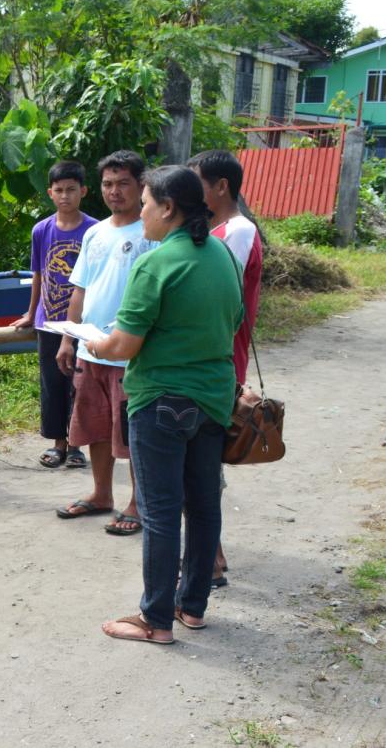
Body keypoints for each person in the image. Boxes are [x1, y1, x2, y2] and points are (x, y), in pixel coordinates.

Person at [86, 165, 242, 645]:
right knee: (201, 506)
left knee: (158, 512)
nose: (143, 212)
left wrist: (95, 344)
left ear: (168, 208)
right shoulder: (219, 254)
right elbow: (234, 322)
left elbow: (125, 345)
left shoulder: (155, 263)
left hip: (160, 401)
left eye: (148, 203)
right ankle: (190, 607)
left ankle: (154, 620)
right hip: (213, 400)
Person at [55, 151, 157, 536]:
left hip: (128, 352)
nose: (114, 191)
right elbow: (80, 290)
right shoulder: (95, 232)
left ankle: (137, 503)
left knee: (130, 433)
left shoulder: (150, 234)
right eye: (108, 184)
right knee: (94, 426)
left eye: (123, 183)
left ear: (141, 186)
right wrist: (68, 337)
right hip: (88, 347)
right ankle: (101, 494)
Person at [189, 149, 263, 588]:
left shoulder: (236, 232)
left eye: (197, 182)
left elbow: (219, 298)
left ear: (220, 186)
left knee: (203, 462)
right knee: (201, 460)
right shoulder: (220, 230)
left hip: (217, 360)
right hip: (212, 358)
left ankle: (210, 556)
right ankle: (208, 553)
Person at [11, 160, 98, 470]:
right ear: (50, 193)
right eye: (59, 190)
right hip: (48, 321)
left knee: (80, 382)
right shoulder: (41, 230)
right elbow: (38, 274)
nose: (65, 196)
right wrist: (30, 312)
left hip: (82, 323)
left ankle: (76, 445)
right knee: (52, 383)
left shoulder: (94, 230)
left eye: (71, 190)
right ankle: (58, 443)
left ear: (83, 191)